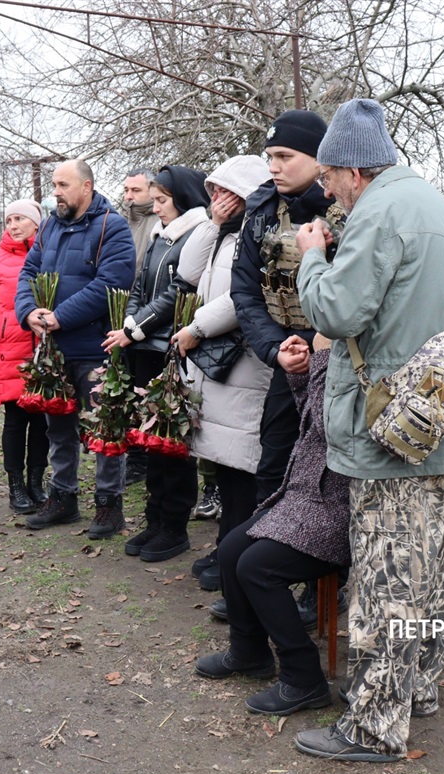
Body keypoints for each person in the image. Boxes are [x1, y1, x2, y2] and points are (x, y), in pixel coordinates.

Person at [292, 98, 444, 763]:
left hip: (390, 431)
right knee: (432, 568)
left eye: (328, 178)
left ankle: (373, 725)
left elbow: (336, 309)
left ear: (351, 169)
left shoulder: (379, 212)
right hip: (443, 423)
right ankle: (418, 686)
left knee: (386, 577)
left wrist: (313, 256)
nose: (326, 190)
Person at [194, 335, 349, 716]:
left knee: (258, 567)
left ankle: (304, 679)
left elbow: (336, 429)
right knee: (231, 550)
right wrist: (302, 374)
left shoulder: (362, 356)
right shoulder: (335, 353)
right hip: (304, 495)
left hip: (340, 505)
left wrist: (323, 359)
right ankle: (249, 653)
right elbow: (313, 420)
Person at [14, 159, 137, 538]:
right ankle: (63, 496)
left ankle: (108, 506)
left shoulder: (111, 228)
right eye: (53, 184)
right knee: (58, 428)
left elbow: (109, 285)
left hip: (94, 348)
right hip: (54, 350)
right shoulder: (50, 226)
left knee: (104, 427)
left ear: (86, 187)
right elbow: (28, 274)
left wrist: (59, 317)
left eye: (63, 184)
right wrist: (28, 311)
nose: (55, 191)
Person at [229, 110, 343, 505]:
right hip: (286, 356)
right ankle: (265, 557)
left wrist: (317, 345)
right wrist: (276, 349)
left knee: (333, 472)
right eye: (270, 157)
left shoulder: (349, 210)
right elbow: (244, 289)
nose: (274, 167)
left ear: (318, 159)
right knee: (274, 465)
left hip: (340, 361)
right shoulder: (260, 209)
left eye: (285, 156)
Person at [170, 154, 272, 588]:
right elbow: (188, 272)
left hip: (244, 360)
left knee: (243, 464)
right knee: (226, 463)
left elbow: (245, 297)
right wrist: (212, 222)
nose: (219, 199)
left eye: (228, 192)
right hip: (218, 360)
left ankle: (236, 551)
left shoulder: (260, 234)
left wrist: (196, 328)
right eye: (214, 191)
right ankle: (225, 548)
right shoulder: (223, 233)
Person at [103, 165, 210, 561]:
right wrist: (128, 324)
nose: (156, 207)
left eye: (163, 200)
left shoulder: (196, 235)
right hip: (145, 347)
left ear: (181, 200)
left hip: (171, 349)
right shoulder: (158, 235)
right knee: (150, 439)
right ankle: (154, 519)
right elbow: (138, 286)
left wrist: (134, 328)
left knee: (171, 441)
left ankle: (174, 525)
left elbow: (176, 294)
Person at [0, 199, 49, 513]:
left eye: (20, 219)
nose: (13, 225)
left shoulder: (49, 255)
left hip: (44, 353)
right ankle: (15, 486)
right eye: (9, 220)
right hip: (10, 352)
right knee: (16, 421)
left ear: (36, 223)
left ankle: (36, 481)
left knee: (43, 422)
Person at [121, 167, 158, 487]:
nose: (129, 197)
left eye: (136, 190)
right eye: (126, 190)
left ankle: (145, 457)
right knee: (128, 388)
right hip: (120, 318)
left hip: (148, 318)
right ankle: (133, 454)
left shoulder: (158, 221)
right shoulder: (123, 222)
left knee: (145, 387)